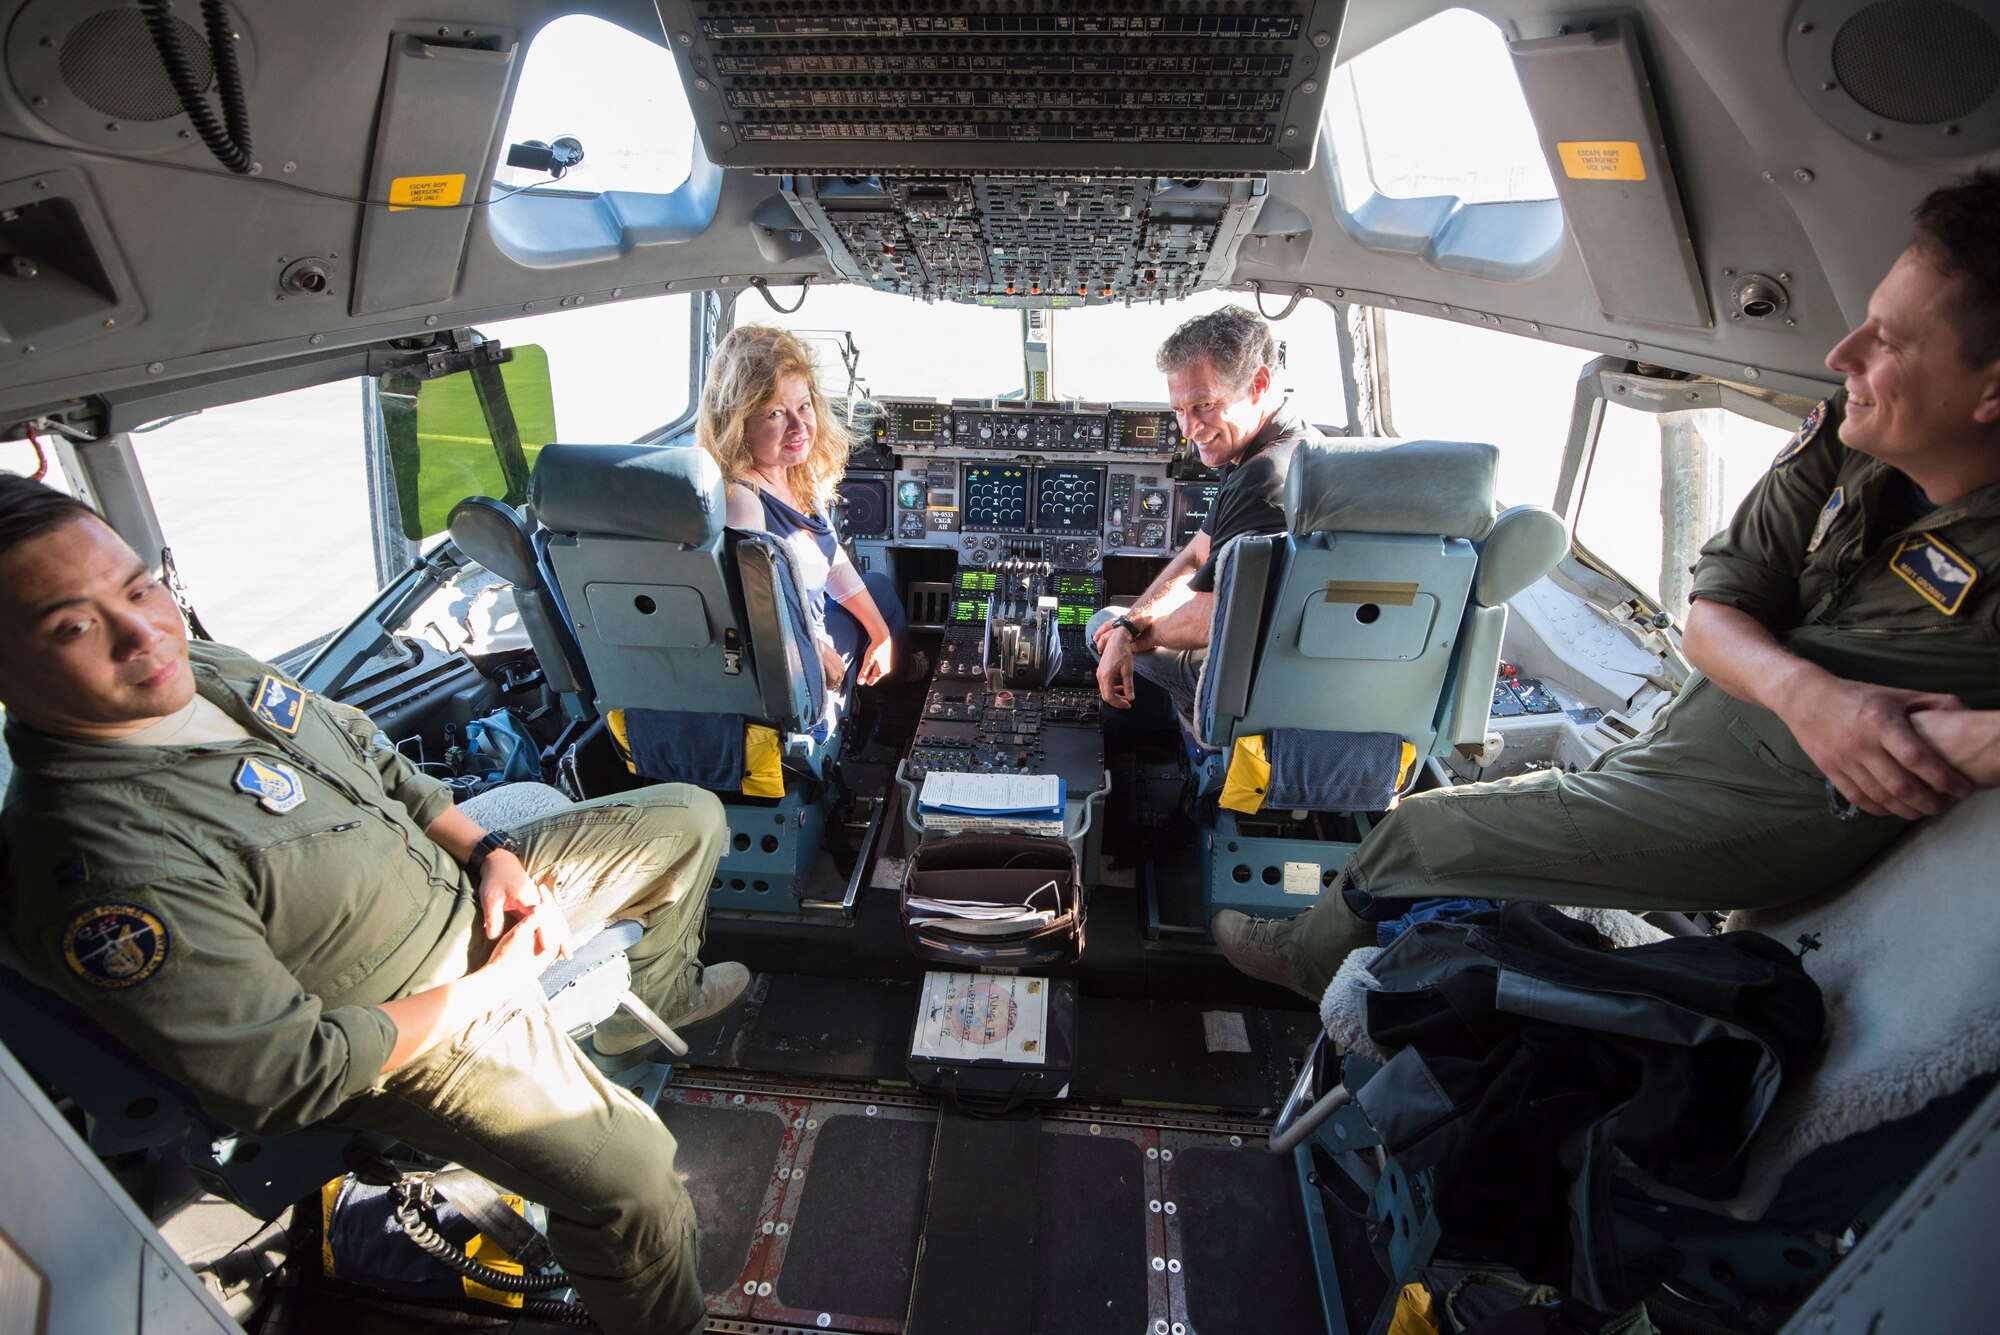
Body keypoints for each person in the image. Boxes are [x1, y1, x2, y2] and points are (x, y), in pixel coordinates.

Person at [1213, 169, 2000, 1001]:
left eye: (1892, 343)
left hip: (1764, 805)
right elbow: (1714, 613)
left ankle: (1306, 958)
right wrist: (1813, 698)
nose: (1843, 356)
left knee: (1422, 825)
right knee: (1500, 803)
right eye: (1865, 324)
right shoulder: (1851, 429)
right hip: (1697, 725)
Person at [0, 479, 747, 1335]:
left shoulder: (202, 671)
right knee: (638, 1179)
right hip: (411, 1033)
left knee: (690, 818)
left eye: (138, 587)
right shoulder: (103, 867)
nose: (143, 632)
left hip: (465, 896)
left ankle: (648, 1008)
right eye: (72, 626)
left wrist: (489, 853)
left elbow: (364, 748)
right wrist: (495, 988)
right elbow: (287, 1076)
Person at [1089, 305, 1322, 710]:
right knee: (1119, 625)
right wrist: (1131, 623)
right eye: (1179, 410)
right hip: (1288, 659)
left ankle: (1199, 726)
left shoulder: (1263, 478)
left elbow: (1216, 616)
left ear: (1259, 383)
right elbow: (1199, 551)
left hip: (1255, 671)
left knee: (1100, 627)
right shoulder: (1280, 445)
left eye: (1204, 406)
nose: (1189, 430)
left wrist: (1131, 635)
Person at [697, 324, 909, 695]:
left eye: (803, 406)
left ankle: (892, 666)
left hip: (807, 630)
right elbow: (746, 617)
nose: (799, 427)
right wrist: (812, 648)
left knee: (879, 589)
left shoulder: (792, 474)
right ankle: (892, 699)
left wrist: (880, 634)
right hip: (796, 665)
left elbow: (831, 559)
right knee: (886, 602)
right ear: (738, 423)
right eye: (775, 413)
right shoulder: (742, 504)